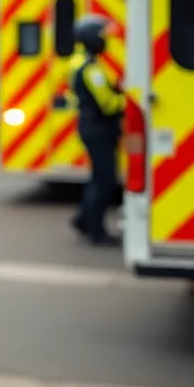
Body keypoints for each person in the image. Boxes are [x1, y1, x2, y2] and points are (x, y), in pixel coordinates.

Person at [69, 14, 124, 246]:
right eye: (102, 36)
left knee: (97, 178)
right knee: (105, 180)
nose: (105, 40)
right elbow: (109, 104)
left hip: (91, 127)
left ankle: (83, 219)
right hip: (99, 129)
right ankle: (96, 231)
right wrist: (129, 100)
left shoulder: (81, 63)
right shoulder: (91, 69)